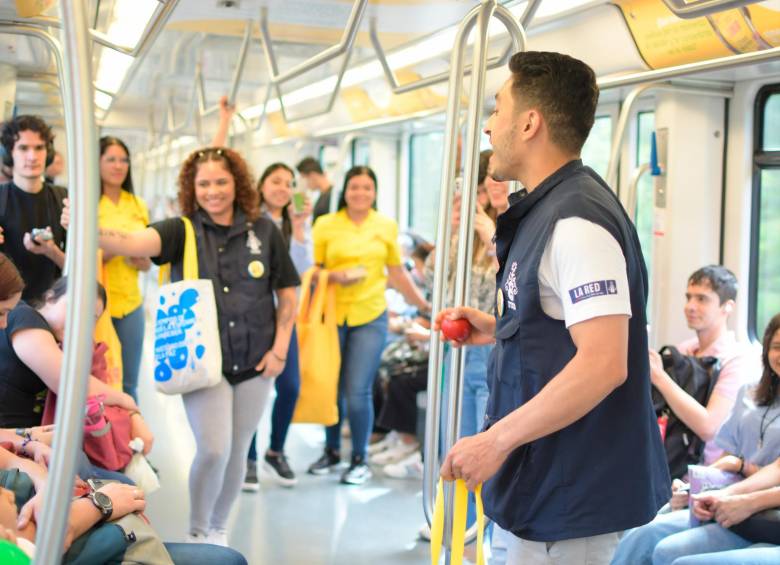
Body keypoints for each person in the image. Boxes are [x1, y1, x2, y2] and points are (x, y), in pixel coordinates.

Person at [434, 51, 670, 564]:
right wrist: (499, 329)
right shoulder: (546, 209)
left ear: (529, 122)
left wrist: (495, 441)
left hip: (571, 494)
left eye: (497, 110)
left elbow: (604, 363)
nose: (489, 127)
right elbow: (567, 326)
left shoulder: (576, 221)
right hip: (542, 482)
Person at [94, 146, 300, 546]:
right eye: (203, 183)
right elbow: (132, 242)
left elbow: (287, 291)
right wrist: (87, 227)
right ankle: (198, 527)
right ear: (192, 188)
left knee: (239, 449)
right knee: (213, 450)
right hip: (204, 361)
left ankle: (218, 529)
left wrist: (280, 348)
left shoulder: (264, 230)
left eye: (221, 181)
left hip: (257, 357)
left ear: (237, 183)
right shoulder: (181, 230)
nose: (213, 191)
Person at [611, 312, 780, 565]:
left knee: (675, 557)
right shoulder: (750, 393)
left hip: (761, 509)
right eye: (777, 347)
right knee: (642, 535)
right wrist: (699, 489)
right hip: (738, 499)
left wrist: (738, 492)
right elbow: (730, 457)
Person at [306, 165, 430, 485]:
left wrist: (424, 305)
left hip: (370, 315)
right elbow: (314, 271)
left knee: (357, 389)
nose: (360, 193)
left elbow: (397, 273)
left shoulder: (386, 226)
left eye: (367, 188)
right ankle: (332, 450)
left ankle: (358, 458)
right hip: (332, 314)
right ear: (344, 191)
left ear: (375, 193)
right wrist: (335, 276)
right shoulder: (325, 225)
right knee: (332, 386)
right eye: (354, 187)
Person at [243, 162, 313, 490]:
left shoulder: (292, 223)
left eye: (288, 184)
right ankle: (249, 457)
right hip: (255, 317)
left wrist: (299, 227)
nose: (282, 188)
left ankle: (276, 450)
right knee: (255, 388)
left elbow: (299, 270)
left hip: (285, 318)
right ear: (261, 185)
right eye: (276, 181)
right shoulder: (249, 222)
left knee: (290, 386)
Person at [650, 266, 755, 470]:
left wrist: (660, 378)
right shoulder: (683, 350)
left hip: (705, 471)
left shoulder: (735, 360)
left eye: (702, 299)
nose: (690, 306)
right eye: (689, 297)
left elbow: (709, 427)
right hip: (671, 458)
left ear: (727, 306)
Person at [0, 275, 138, 429]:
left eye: (91, 318)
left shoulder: (61, 345)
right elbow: (70, 383)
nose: (80, 321)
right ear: (50, 299)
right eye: (75, 308)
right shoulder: (25, 317)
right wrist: (125, 400)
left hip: (28, 440)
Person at [97, 136, 151, 403]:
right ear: (96, 162)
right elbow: (85, 253)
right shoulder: (87, 203)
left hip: (131, 304)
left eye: (124, 160)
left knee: (129, 383)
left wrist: (142, 258)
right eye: (111, 159)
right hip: (96, 306)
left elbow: (148, 257)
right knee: (99, 382)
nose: (119, 166)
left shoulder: (137, 204)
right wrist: (127, 244)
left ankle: (131, 442)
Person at [0, 116, 66, 302]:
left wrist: (51, 251)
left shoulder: (63, 198)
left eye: (39, 147)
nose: (33, 156)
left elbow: (78, 270)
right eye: (23, 148)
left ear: (49, 153)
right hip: (6, 310)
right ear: (8, 154)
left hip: (50, 307)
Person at [296, 156, 333, 222]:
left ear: (312, 175)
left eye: (303, 178)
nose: (305, 185)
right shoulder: (323, 195)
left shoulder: (331, 197)